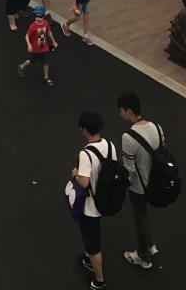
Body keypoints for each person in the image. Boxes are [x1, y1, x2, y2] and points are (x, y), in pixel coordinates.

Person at [117, 92, 161, 269]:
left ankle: (143, 256)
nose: (120, 115)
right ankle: (150, 245)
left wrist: (120, 186)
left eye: (122, 111)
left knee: (140, 218)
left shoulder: (128, 137)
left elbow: (129, 169)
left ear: (129, 111)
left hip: (139, 186)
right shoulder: (156, 127)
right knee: (144, 216)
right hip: (156, 182)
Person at [72, 111, 110, 290]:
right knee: (92, 236)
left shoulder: (85, 154)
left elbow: (84, 182)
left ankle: (99, 280)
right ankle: (88, 258)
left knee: (93, 243)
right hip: (105, 200)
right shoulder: (109, 145)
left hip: (90, 206)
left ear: (84, 130)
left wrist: (75, 174)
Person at [17, 4, 58, 85]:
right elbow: (27, 35)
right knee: (32, 61)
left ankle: (46, 78)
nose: (38, 18)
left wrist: (54, 41)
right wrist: (29, 45)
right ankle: (21, 67)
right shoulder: (33, 26)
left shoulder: (45, 23)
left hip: (44, 47)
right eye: (36, 16)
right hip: (36, 49)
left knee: (46, 62)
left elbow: (49, 32)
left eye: (40, 16)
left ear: (44, 17)